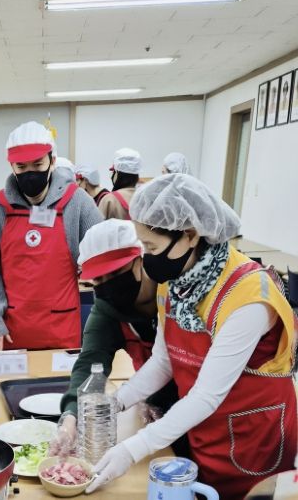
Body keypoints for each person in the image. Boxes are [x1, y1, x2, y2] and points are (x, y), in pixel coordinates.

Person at [87, 174, 297, 498]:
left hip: (253, 438)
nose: (147, 258)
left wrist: (132, 449)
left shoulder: (248, 295)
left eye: (151, 247)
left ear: (189, 234)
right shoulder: (177, 280)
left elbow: (206, 395)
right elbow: (163, 362)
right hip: (204, 430)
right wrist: (115, 403)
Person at [49, 219, 181, 458]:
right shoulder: (106, 309)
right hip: (153, 402)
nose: (107, 285)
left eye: (114, 273)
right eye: (97, 280)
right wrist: (71, 417)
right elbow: (90, 365)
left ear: (141, 259)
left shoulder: (174, 295)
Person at [0, 121, 103, 351]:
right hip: (10, 332)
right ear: (11, 166)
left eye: (38, 164)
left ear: (52, 161)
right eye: (21, 167)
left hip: (62, 330)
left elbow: (104, 254)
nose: (30, 173)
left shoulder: (77, 203)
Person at [98, 148, 141, 220]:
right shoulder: (144, 199)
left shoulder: (109, 200)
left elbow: (98, 225)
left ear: (117, 172)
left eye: (113, 172)